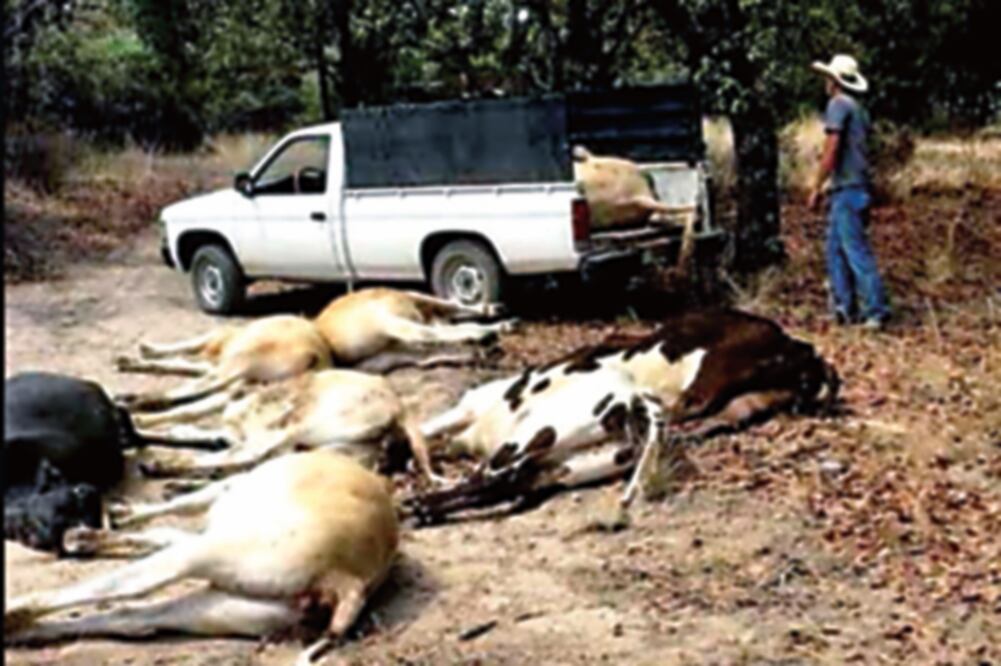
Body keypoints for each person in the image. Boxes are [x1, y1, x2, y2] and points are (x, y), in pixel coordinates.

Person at [808, 54, 890, 330]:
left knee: (854, 250)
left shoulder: (838, 105)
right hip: (855, 186)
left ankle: (875, 311)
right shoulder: (858, 109)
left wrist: (817, 185)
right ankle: (844, 308)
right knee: (835, 250)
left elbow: (832, 148)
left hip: (847, 188)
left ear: (834, 81)